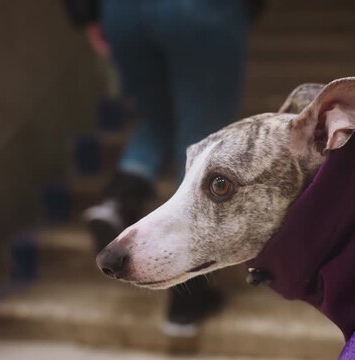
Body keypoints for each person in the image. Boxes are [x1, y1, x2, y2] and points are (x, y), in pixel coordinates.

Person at [63, 0, 263, 334]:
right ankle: (187, 301)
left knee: (155, 120)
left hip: (122, 13)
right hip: (200, 11)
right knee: (204, 141)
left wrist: (86, 14)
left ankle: (116, 202)